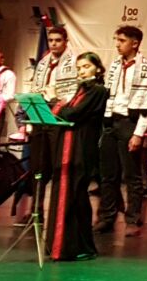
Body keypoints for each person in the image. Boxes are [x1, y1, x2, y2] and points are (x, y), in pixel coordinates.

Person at [46, 52, 108, 262]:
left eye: (86, 67)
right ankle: (69, 245)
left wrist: (54, 100)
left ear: (97, 68)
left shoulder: (98, 90)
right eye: (79, 68)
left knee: (75, 195)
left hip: (82, 148)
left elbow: (72, 114)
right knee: (71, 195)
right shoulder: (82, 90)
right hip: (70, 145)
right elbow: (68, 112)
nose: (82, 71)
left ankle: (78, 246)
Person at [97, 24, 147, 234]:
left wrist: (138, 133)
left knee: (132, 175)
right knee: (108, 174)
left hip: (129, 122)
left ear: (135, 43)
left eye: (122, 41)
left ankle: (133, 218)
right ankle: (107, 217)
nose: (117, 45)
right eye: (117, 40)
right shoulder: (114, 65)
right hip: (111, 121)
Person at [18, 24, 76, 219]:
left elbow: (74, 92)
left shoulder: (73, 62)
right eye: (50, 40)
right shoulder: (43, 63)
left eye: (58, 40)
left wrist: (58, 102)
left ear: (65, 42)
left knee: (57, 165)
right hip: (41, 115)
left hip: (59, 117)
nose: (53, 44)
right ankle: (36, 208)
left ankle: (57, 211)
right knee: (38, 165)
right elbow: (35, 87)